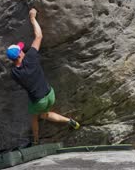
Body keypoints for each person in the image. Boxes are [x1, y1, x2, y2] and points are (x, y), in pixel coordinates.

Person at [6, 8, 80, 145]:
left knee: (34, 117)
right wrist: (33, 18)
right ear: (21, 54)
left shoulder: (14, 74)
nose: (23, 50)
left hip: (38, 101)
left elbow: (17, 65)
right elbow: (39, 36)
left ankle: (35, 139)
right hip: (50, 93)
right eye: (21, 50)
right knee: (45, 113)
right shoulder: (31, 58)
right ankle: (70, 121)